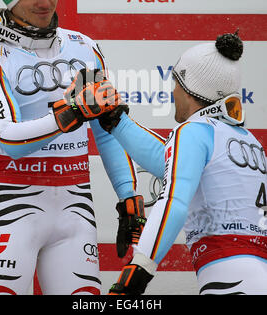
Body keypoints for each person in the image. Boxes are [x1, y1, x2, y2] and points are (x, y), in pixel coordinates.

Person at [0, 0, 146, 295]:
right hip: (14, 202)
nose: (45, 1)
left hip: (74, 205)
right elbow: (8, 139)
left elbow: (108, 130)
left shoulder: (85, 47)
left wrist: (128, 195)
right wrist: (71, 112)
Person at [71, 32, 267, 295]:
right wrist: (116, 120)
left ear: (190, 90)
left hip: (229, 277)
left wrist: (139, 268)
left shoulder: (193, 131)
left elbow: (174, 200)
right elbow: (168, 161)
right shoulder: (245, 138)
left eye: (176, 82)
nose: (173, 91)